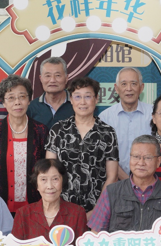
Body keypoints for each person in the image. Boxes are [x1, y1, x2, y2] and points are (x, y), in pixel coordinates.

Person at [46, 76, 119, 211]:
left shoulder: (107, 132)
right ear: (71, 99)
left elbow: (112, 176)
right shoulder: (58, 130)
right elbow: (50, 171)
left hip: (98, 209)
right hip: (62, 207)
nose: (83, 102)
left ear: (96, 99)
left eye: (88, 96)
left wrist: (96, 211)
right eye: (78, 96)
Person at [0, 76, 49, 210]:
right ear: (3, 102)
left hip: (35, 206)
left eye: (22, 97)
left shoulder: (41, 131)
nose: (17, 102)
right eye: (11, 98)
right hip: (1, 206)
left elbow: (47, 169)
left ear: (29, 100)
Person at [100, 67, 154, 180]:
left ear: (141, 87)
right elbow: (104, 154)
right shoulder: (105, 118)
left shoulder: (153, 114)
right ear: (116, 88)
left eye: (134, 84)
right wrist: (128, 181)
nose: (129, 89)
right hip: (115, 182)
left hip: (149, 180)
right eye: (124, 84)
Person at [28, 56, 74, 127]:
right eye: (48, 76)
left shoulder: (78, 104)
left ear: (66, 78)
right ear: (41, 78)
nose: (52, 80)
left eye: (58, 75)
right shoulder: (31, 108)